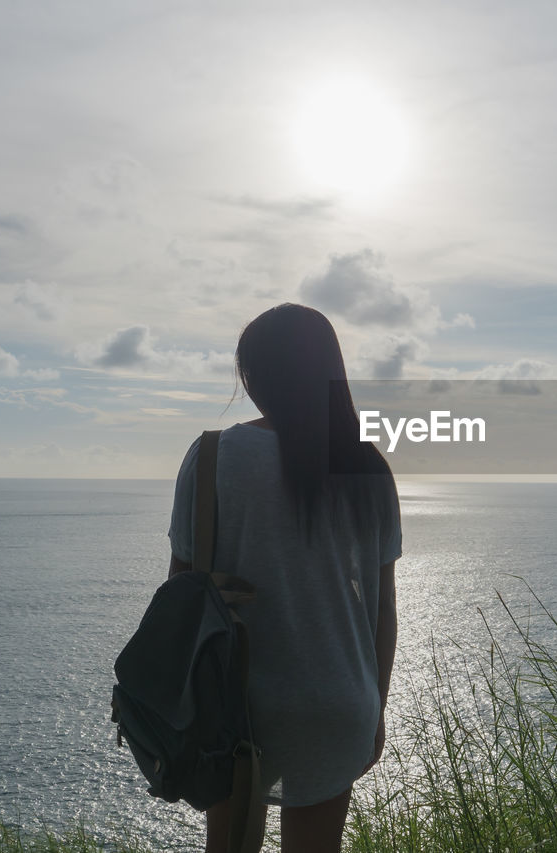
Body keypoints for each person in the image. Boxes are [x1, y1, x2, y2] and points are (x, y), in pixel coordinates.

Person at [166, 304, 400, 853]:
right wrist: (376, 706)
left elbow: (180, 592)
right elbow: (382, 611)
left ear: (254, 376)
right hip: (338, 701)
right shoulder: (367, 466)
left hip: (238, 703)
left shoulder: (214, 455)